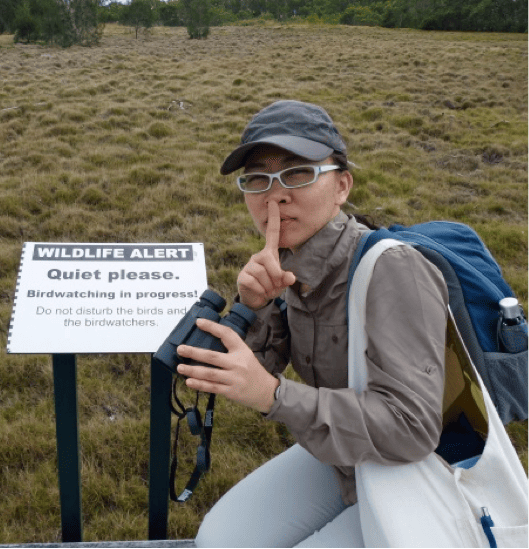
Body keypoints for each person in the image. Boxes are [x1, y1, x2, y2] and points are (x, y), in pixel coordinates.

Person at [175, 100, 449, 547]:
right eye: (257, 178)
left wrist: (275, 397)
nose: (274, 195)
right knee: (220, 539)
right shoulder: (285, 265)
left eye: (298, 173)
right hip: (343, 456)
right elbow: (261, 369)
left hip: (417, 469)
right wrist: (253, 306)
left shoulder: (392, 270)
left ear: (342, 186)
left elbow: (412, 427)